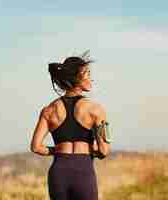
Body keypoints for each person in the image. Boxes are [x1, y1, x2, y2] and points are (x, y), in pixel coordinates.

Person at [30, 50, 112, 200]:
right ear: (77, 78)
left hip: (58, 172)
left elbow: (36, 147)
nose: (91, 80)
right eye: (87, 75)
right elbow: (104, 150)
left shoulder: (49, 110)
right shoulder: (96, 109)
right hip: (83, 171)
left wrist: (59, 150)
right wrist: (89, 149)